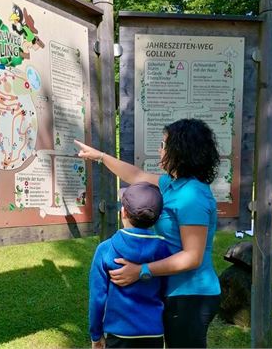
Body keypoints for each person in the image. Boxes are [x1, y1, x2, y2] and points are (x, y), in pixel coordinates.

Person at [76, 118, 221, 348]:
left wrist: (142, 271)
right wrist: (100, 156)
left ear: (180, 151)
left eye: (163, 145)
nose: (159, 150)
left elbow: (193, 256)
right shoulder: (173, 184)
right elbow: (136, 175)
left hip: (191, 295)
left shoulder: (192, 196)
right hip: (176, 292)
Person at [89, 182, 170, 349]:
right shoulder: (164, 249)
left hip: (119, 334)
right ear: (158, 217)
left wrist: (96, 335)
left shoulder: (105, 249)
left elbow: (97, 298)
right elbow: (166, 292)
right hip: (153, 333)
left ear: (123, 213)